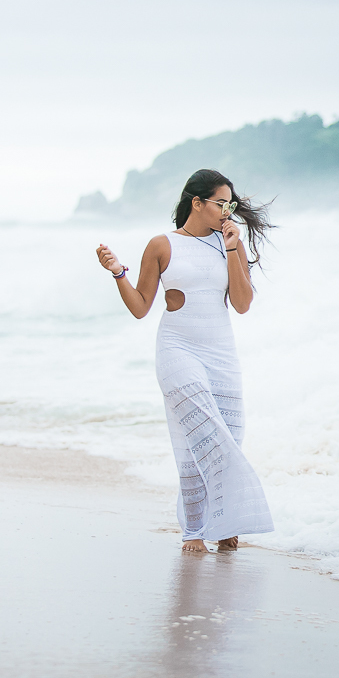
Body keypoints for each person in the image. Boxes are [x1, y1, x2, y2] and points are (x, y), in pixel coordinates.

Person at [95, 169, 276, 552]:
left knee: (229, 437)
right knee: (200, 436)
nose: (228, 210)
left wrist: (231, 249)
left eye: (231, 204)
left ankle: (227, 522)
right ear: (197, 203)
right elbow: (141, 307)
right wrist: (117, 273)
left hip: (222, 353)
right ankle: (194, 530)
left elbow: (243, 305)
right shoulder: (162, 245)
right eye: (221, 203)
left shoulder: (229, 244)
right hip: (177, 349)